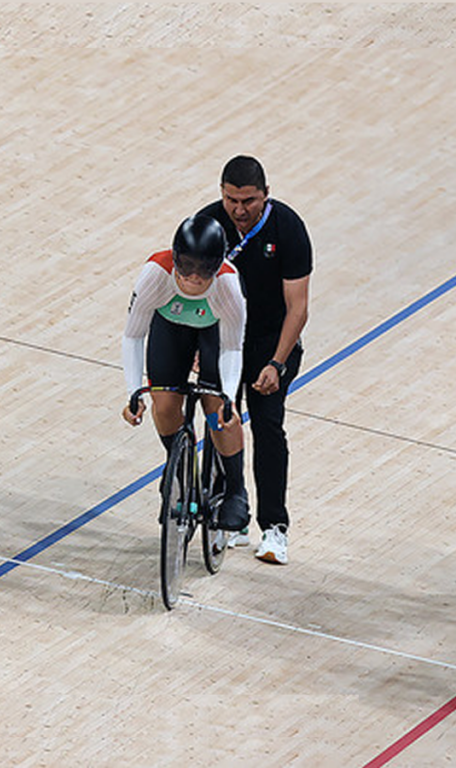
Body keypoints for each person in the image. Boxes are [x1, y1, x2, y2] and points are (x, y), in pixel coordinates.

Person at [196, 156, 311, 565]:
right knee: (222, 420)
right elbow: (194, 289)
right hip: (224, 336)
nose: (240, 210)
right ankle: (234, 509)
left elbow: (297, 308)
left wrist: (277, 364)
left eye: (249, 200)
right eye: (231, 200)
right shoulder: (208, 224)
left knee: (266, 425)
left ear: (266, 195)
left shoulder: (289, 229)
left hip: (270, 341)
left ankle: (274, 527)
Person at [121, 214, 250, 531]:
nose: (193, 278)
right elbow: (133, 335)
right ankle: (179, 468)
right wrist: (133, 392)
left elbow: (232, 349)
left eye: (204, 270)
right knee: (164, 405)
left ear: (218, 265)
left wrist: (230, 398)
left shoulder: (229, 287)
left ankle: (236, 489)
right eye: (186, 267)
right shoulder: (155, 274)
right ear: (175, 259)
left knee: (217, 413)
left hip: (214, 336)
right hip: (171, 329)